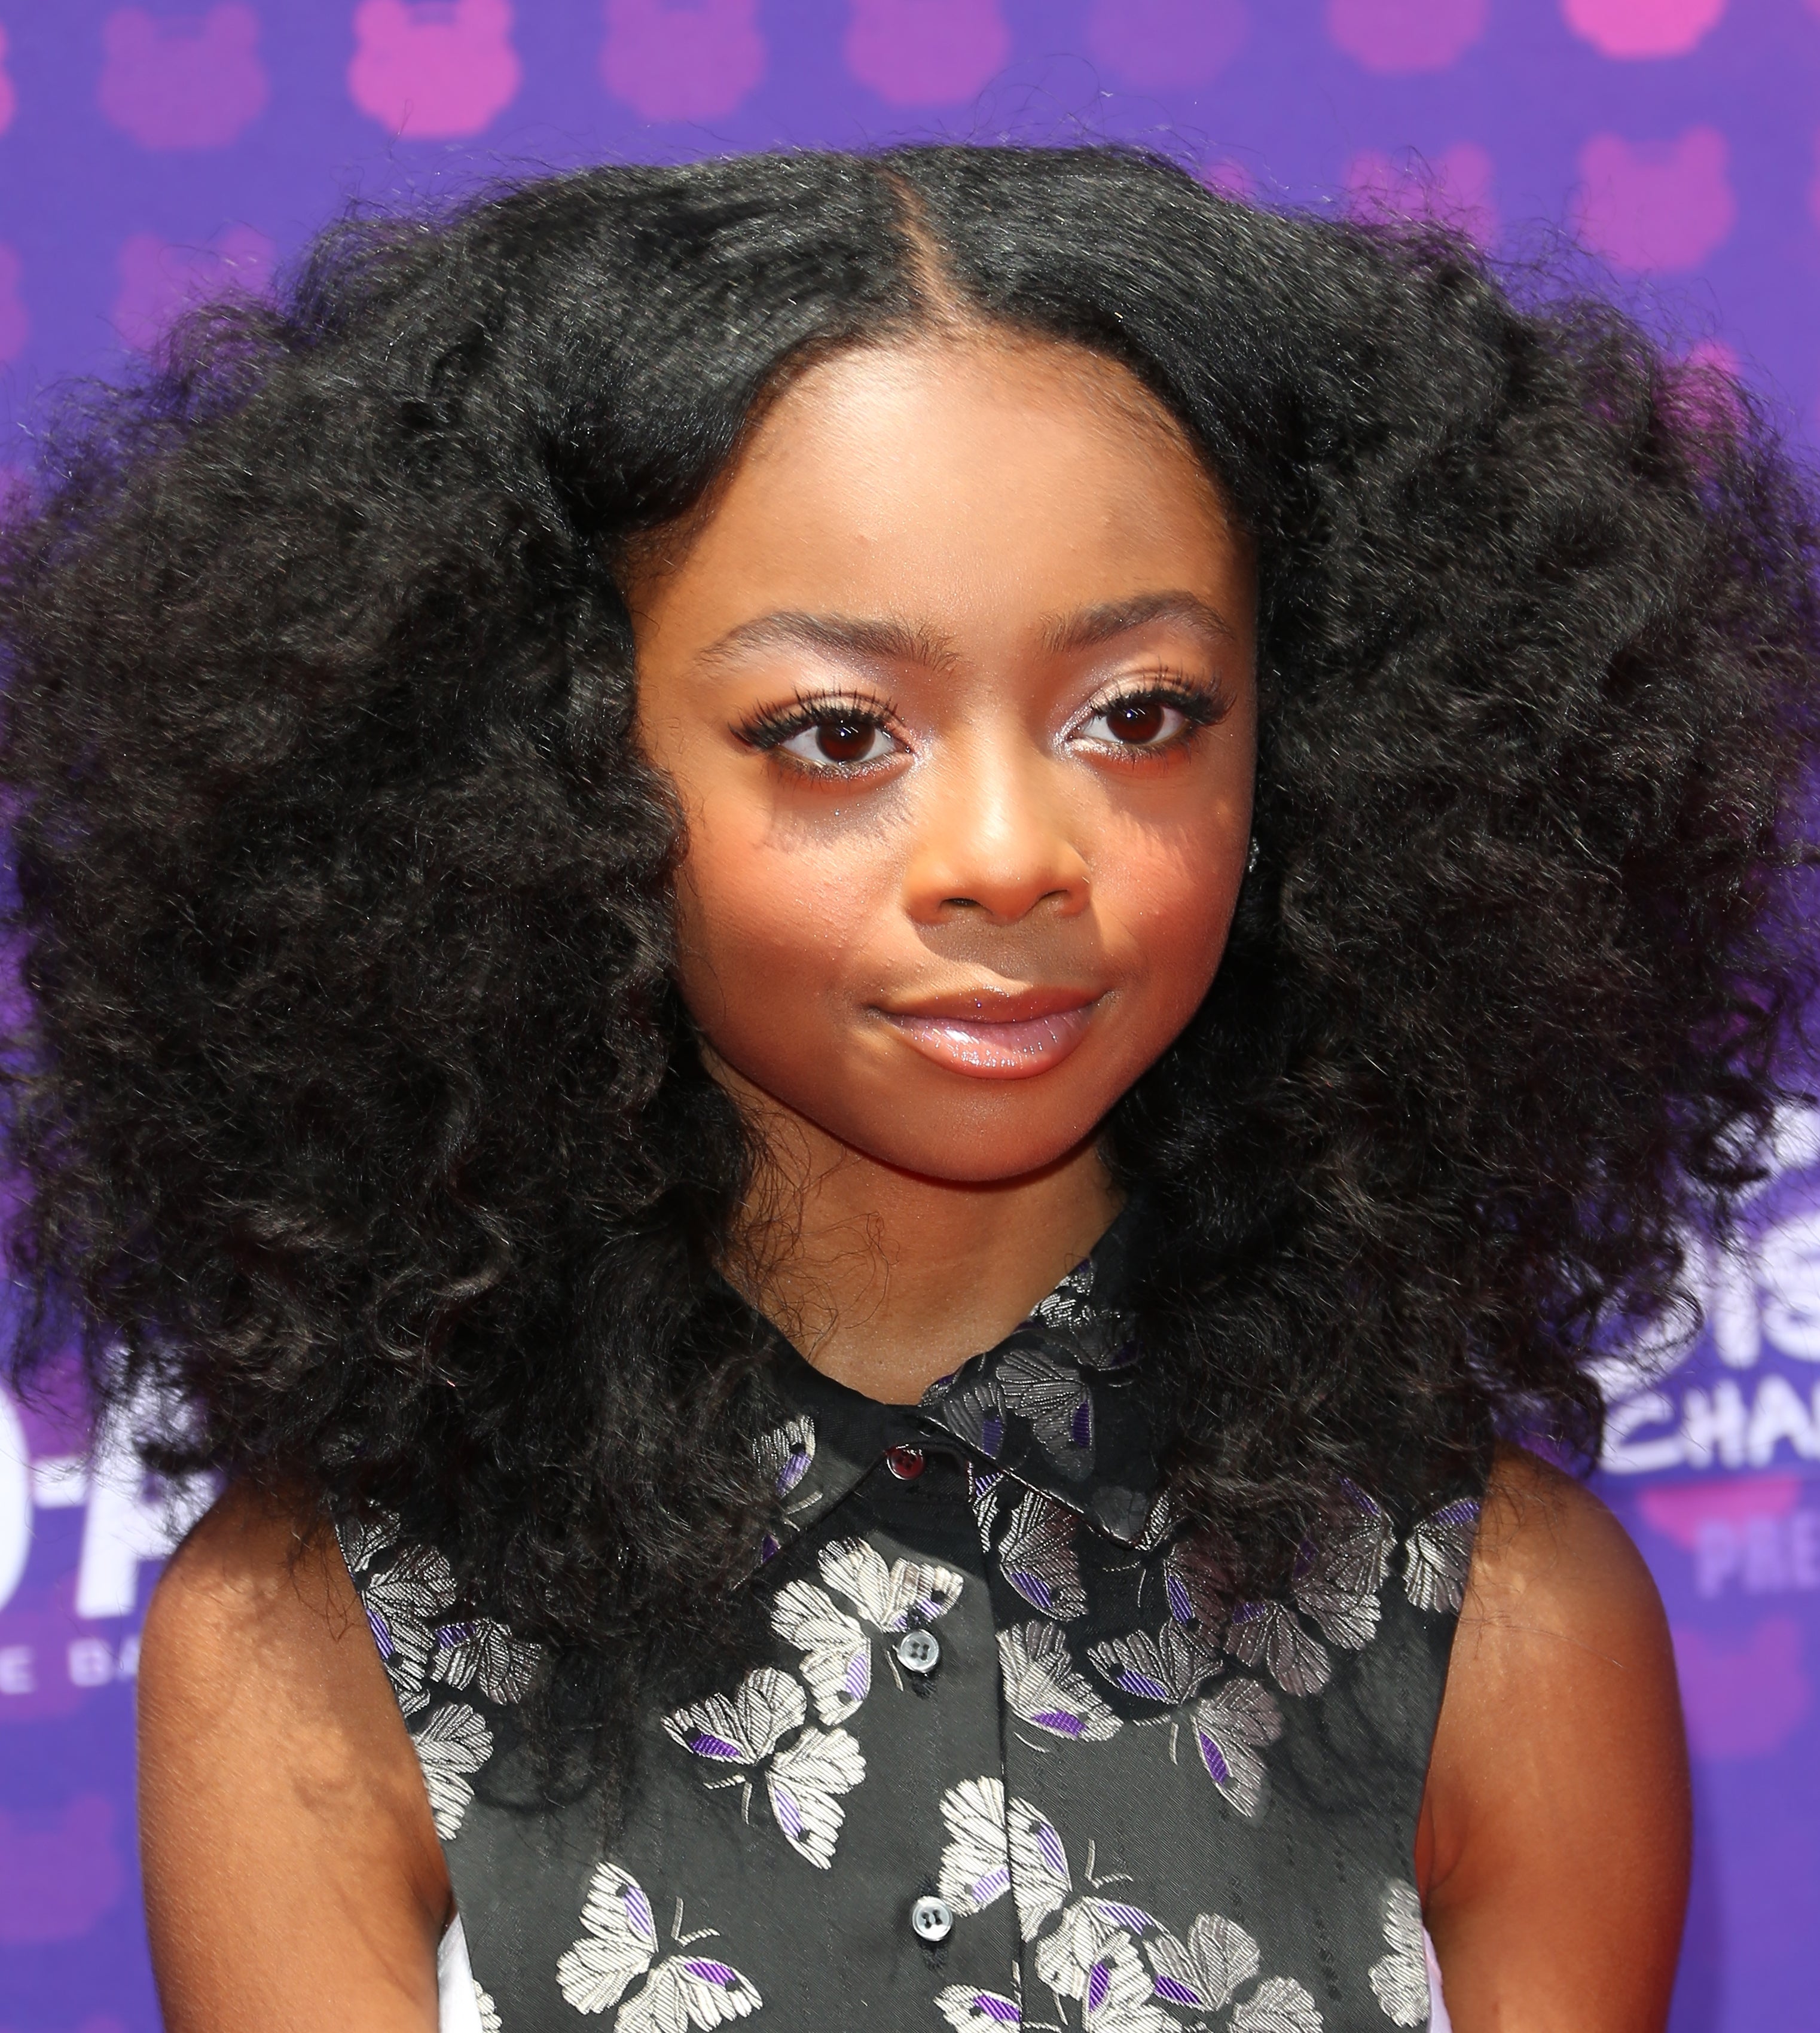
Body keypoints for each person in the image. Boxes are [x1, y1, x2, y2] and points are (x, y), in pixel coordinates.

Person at [2, 143, 1813, 2033]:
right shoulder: (315, 1639)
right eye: (837, 734)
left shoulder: (1498, 1619)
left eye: (1138, 713)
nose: (1009, 855)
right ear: (533, 784)